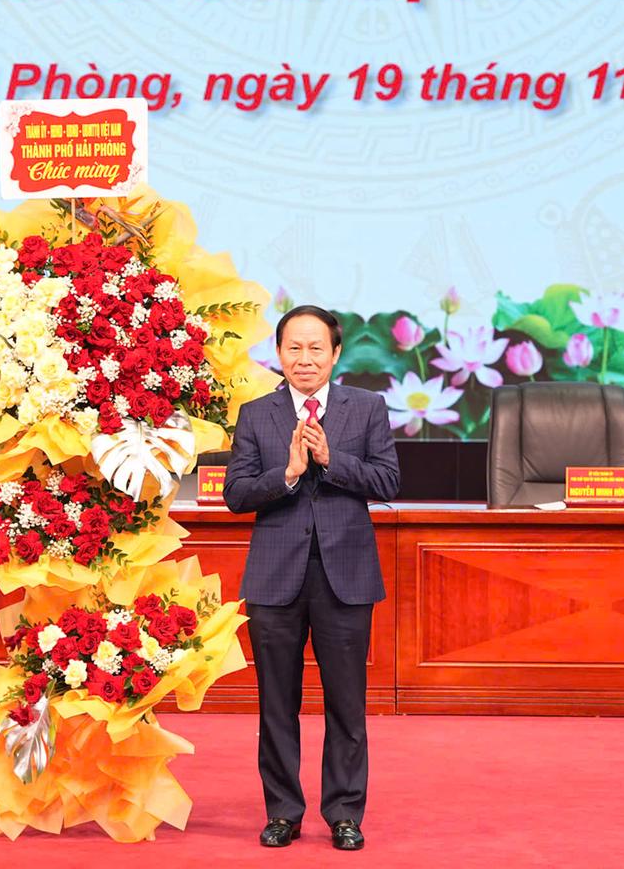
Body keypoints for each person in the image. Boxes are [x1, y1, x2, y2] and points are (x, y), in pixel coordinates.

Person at [224, 304, 400, 851]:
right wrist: (287, 474)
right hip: (275, 578)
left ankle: (344, 813)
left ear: (336, 353)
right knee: (277, 704)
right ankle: (283, 812)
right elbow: (236, 494)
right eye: (294, 348)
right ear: (279, 354)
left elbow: (387, 481)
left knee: (346, 703)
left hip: (345, 576)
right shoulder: (256, 414)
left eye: (316, 348)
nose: (305, 358)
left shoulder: (366, 408)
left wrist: (331, 460)